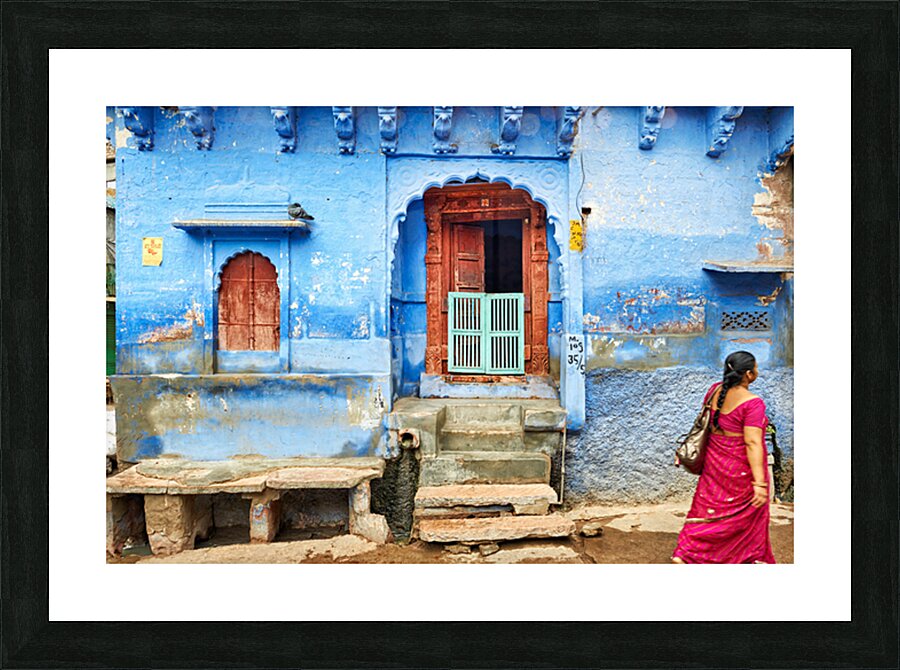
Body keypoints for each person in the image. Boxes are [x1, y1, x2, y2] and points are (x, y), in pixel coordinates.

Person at [672, 351, 775, 564]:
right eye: (756, 368)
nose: (757, 371)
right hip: (740, 466)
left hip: (714, 460)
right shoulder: (753, 403)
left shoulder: (714, 391)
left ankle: (687, 552)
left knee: (707, 507)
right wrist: (759, 483)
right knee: (747, 513)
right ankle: (746, 556)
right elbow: (753, 443)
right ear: (748, 374)